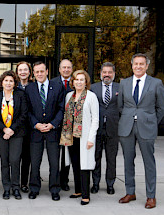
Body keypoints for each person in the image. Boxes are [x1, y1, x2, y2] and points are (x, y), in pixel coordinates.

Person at [118, 53, 164, 209]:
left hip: (147, 128)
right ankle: (130, 192)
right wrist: (128, 117)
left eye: (141, 64)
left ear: (147, 66)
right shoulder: (124, 83)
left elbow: (162, 107)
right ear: (132, 65)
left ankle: (151, 196)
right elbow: (121, 106)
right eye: (135, 64)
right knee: (127, 161)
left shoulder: (156, 83)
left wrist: (151, 121)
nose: (138, 66)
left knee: (149, 162)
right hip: (127, 127)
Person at [25, 61, 65, 201]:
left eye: (42, 71)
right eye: (37, 72)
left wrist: (53, 124)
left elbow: (61, 108)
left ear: (47, 71)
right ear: (34, 74)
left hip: (52, 131)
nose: (39, 74)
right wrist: (35, 124)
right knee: (35, 162)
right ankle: (34, 188)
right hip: (36, 132)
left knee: (54, 163)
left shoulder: (58, 86)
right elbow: (27, 110)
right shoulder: (29, 88)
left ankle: (55, 189)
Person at [60, 70, 99, 205]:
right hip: (70, 136)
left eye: (82, 79)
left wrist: (91, 139)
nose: (79, 82)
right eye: (76, 79)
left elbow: (95, 119)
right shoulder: (69, 96)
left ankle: (85, 195)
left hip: (84, 137)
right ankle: (78, 190)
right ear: (73, 82)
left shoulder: (91, 96)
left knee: (85, 165)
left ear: (86, 82)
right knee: (75, 164)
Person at [0, 71, 28, 200]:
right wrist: (4, 129)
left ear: (15, 83)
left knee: (15, 160)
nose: (8, 83)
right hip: (1, 134)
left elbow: (24, 114)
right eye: (6, 80)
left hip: (17, 133)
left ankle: (15, 188)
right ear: (2, 82)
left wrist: (11, 129)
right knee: (4, 161)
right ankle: (6, 188)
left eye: (11, 81)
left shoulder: (20, 95)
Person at [90, 62, 119, 195]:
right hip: (97, 128)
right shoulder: (93, 88)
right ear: (100, 73)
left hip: (113, 128)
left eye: (110, 72)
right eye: (104, 72)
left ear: (113, 74)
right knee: (96, 157)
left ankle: (110, 184)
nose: (107, 75)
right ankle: (95, 183)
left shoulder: (120, 88)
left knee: (111, 158)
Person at [51, 59, 74, 191]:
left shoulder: (76, 82)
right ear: (59, 69)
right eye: (63, 67)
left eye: (68, 67)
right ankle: (54, 180)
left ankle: (64, 181)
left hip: (70, 125)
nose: (66, 70)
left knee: (66, 155)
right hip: (55, 123)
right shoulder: (53, 83)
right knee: (55, 155)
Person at [15, 61, 32, 193]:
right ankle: (14, 181)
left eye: (25, 69)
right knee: (15, 157)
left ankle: (24, 182)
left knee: (27, 157)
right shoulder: (13, 87)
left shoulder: (34, 86)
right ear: (17, 72)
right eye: (20, 70)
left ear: (29, 71)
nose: (23, 72)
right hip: (16, 127)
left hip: (30, 128)